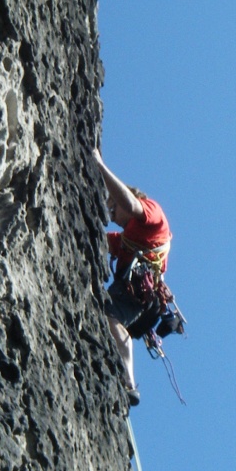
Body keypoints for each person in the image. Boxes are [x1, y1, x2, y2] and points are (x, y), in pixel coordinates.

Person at [94, 148, 172, 407]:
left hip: (140, 291)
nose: (113, 217)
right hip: (139, 294)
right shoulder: (126, 240)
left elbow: (129, 204)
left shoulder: (153, 216)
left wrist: (100, 166)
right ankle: (125, 377)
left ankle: (128, 381)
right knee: (110, 314)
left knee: (110, 315)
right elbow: (99, 241)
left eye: (112, 209)